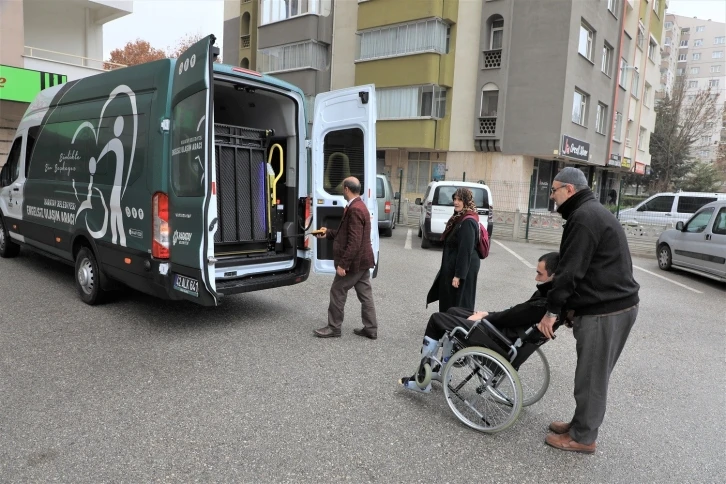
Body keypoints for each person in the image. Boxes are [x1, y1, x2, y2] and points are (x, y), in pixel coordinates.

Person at [537, 167, 640, 455]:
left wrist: (552, 312)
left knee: (591, 377)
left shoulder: (583, 218)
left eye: (555, 190)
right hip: (610, 305)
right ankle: (580, 423)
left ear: (570, 189)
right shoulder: (588, 212)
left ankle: (583, 437)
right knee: (589, 374)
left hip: (607, 310)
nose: (552, 196)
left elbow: (570, 272)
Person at [400, 252, 561, 393]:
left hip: (498, 339)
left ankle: (421, 381)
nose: (536, 278)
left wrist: (485, 317)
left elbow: (512, 316)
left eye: (540, 274)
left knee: (437, 319)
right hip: (508, 336)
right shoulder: (555, 302)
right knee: (453, 311)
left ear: (554, 275)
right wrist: (487, 314)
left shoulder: (542, 305)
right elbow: (514, 315)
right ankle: (444, 372)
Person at [313, 177, 378, 340]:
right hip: (363, 261)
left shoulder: (355, 209)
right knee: (365, 295)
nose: (342, 190)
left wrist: (343, 264)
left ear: (347, 189)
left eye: (343, 188)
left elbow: (354, 242)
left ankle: (334, 327)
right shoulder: (359, 205)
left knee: (337, 290)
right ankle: (371, 328)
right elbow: (346, 235)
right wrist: (327, 232)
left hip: (355, 262)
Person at [426, 188, 481, 312]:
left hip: (463, 268)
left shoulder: (468, 221)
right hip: (454, 265)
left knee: (460, 301)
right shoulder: (459, 217)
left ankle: (457, 326)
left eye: (460, 199)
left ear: (466, 201)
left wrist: (458, 275)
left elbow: (465, 251)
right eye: (455, 199)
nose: (456, 202)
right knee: (450, 298)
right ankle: (448, 325)